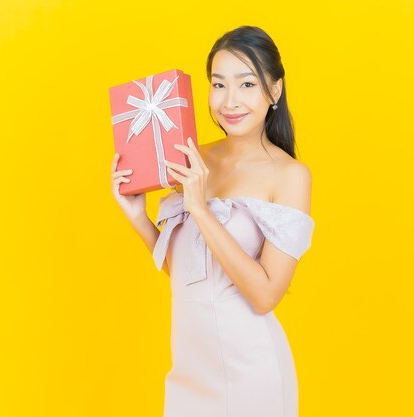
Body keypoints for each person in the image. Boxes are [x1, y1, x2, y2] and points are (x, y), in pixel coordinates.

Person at [111, 25, 315, 417]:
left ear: (275, 91)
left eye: (246, 84)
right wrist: (137, 216)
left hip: (251, 374)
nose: (230, 101)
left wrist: (201, 209)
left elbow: (265, 295)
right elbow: (187, 271)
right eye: (218, 85)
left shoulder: (290, 176)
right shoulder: (191, 157)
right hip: (189, 370)